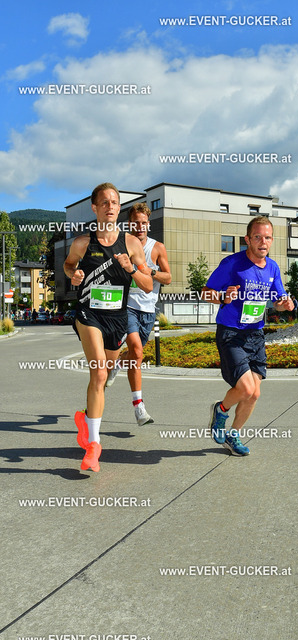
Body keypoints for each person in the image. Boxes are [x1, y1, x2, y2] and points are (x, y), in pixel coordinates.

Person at [63, 183, 153, 472]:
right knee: (100, 371)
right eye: (104, 202)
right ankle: (94, 445)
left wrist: (131, 268)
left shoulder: (132, 244)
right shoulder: (82, 243)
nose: (110, 206)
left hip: (117, 318)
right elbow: (68, 265)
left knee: (103, 378)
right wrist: (74, 275)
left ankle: (85, 417)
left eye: (114, 202)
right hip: (88, 313)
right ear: (95, 208)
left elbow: (148, 285)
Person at [201, 215, 294, 456]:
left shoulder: (272, 267)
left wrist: (285, 304)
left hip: (255, 334)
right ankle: (220, 410)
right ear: (247, 239)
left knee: (255, 394)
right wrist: (223, 297)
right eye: (258, 237)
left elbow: (278, 300)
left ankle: (233, 435)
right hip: (231, 333)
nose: (263, 242)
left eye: (268, 237)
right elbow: (205, 292)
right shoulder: (232, 263)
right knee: (245, 389)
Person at [106, 202, 171, 425]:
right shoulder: (121, 244)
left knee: (135, 356)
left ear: (148, 224)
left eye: (143, 223)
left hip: (148, 309)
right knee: (137, 350)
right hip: (127, 306)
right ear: (129, 224)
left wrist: (149, 272)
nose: (140, 227)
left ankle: (118, 363)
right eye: (136, 223)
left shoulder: (157, 247)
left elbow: (168, 278)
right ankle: (139, 408)